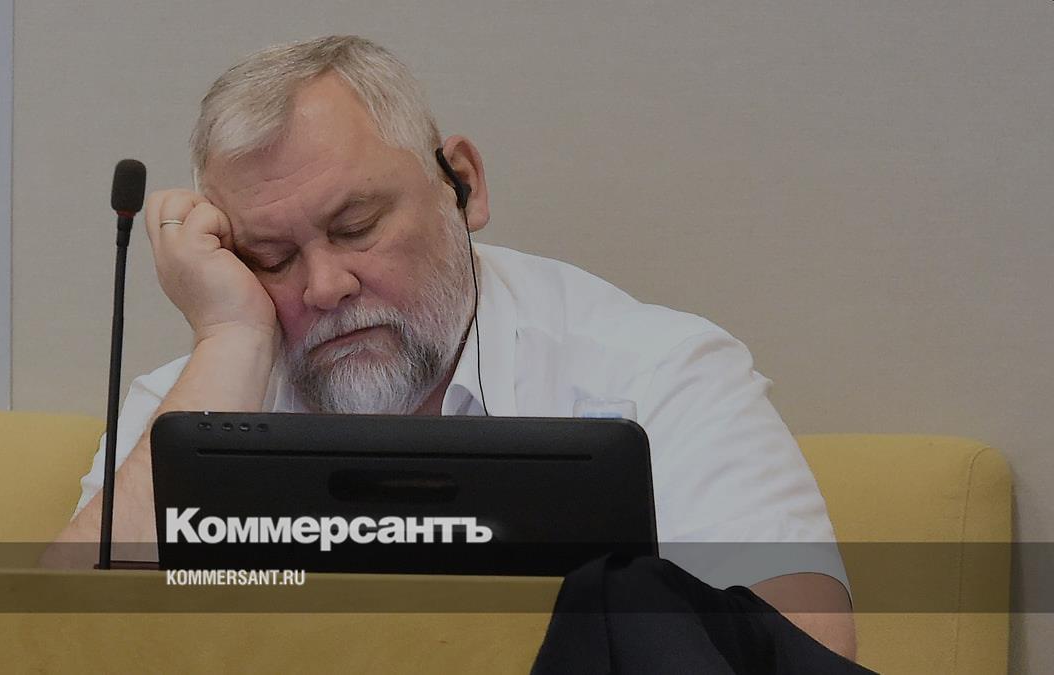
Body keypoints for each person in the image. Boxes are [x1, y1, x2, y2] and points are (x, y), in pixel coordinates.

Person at [42, 35, 856, 661]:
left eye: (356, 226)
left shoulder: (658, 373)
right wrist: (230, 337)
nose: (324, 285)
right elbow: (51, 649)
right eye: (272, 257)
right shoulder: (198, 397)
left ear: (462, 184)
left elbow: (799, 655)